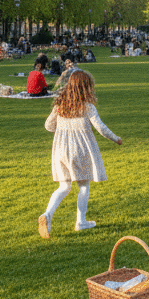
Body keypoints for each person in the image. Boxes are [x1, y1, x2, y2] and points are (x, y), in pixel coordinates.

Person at [37, 69, 123, 238]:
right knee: (83, 185)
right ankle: (80, 222)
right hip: (80, 151)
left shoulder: (59, 105)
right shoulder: (87, 107)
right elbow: (101, 128)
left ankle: (47, 214)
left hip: (61, 151)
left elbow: (48, 125)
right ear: (86, 88)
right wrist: (116, 138)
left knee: (64, 186)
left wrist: (62, 130)